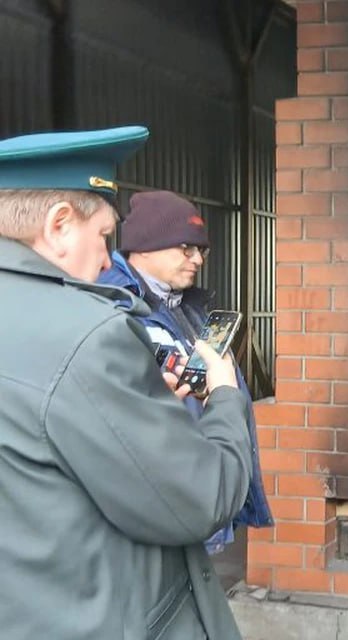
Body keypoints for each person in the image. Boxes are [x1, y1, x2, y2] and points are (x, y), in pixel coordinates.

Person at [0, 126, 251, 639]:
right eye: (103, 237)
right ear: (59, 224)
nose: (106, 258)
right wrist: (224, 394)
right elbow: (202, 497)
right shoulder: (86, 335)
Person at [98, 190, 273, 554]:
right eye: (185, 248)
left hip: (194, 492)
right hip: (162, 507)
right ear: (144, 246)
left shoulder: (184, 304)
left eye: (201, 250)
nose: (197, 259)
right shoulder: (114, 305)